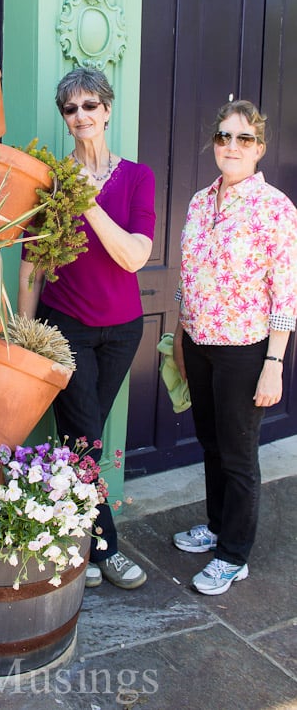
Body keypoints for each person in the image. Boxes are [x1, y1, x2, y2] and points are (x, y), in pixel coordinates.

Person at [18, 66, 155, 590]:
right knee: (84, 437)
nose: (81, 117)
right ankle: (106, 548)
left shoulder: (137, 177)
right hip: (65, 326)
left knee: (81, 436)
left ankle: (76, 537)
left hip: (123, 331)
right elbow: (32, 263)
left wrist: (87, 201)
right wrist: (28, 337)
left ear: (108, 109)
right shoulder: (48, 182)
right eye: (71, 109)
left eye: (90, 106)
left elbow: (134, 257)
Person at [172, 100, 297, 595]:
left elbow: (285, 293)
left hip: (246, 349)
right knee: (210, 443)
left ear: (259, 147)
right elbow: (186, 276)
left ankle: (234, 555)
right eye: (224, 136)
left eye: (243, 138)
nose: (231, 146)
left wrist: (274, 363)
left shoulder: (276, 209)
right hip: (199, 343)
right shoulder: (201, 201)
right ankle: (218, 525)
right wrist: (181, 337)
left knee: (239, 454)